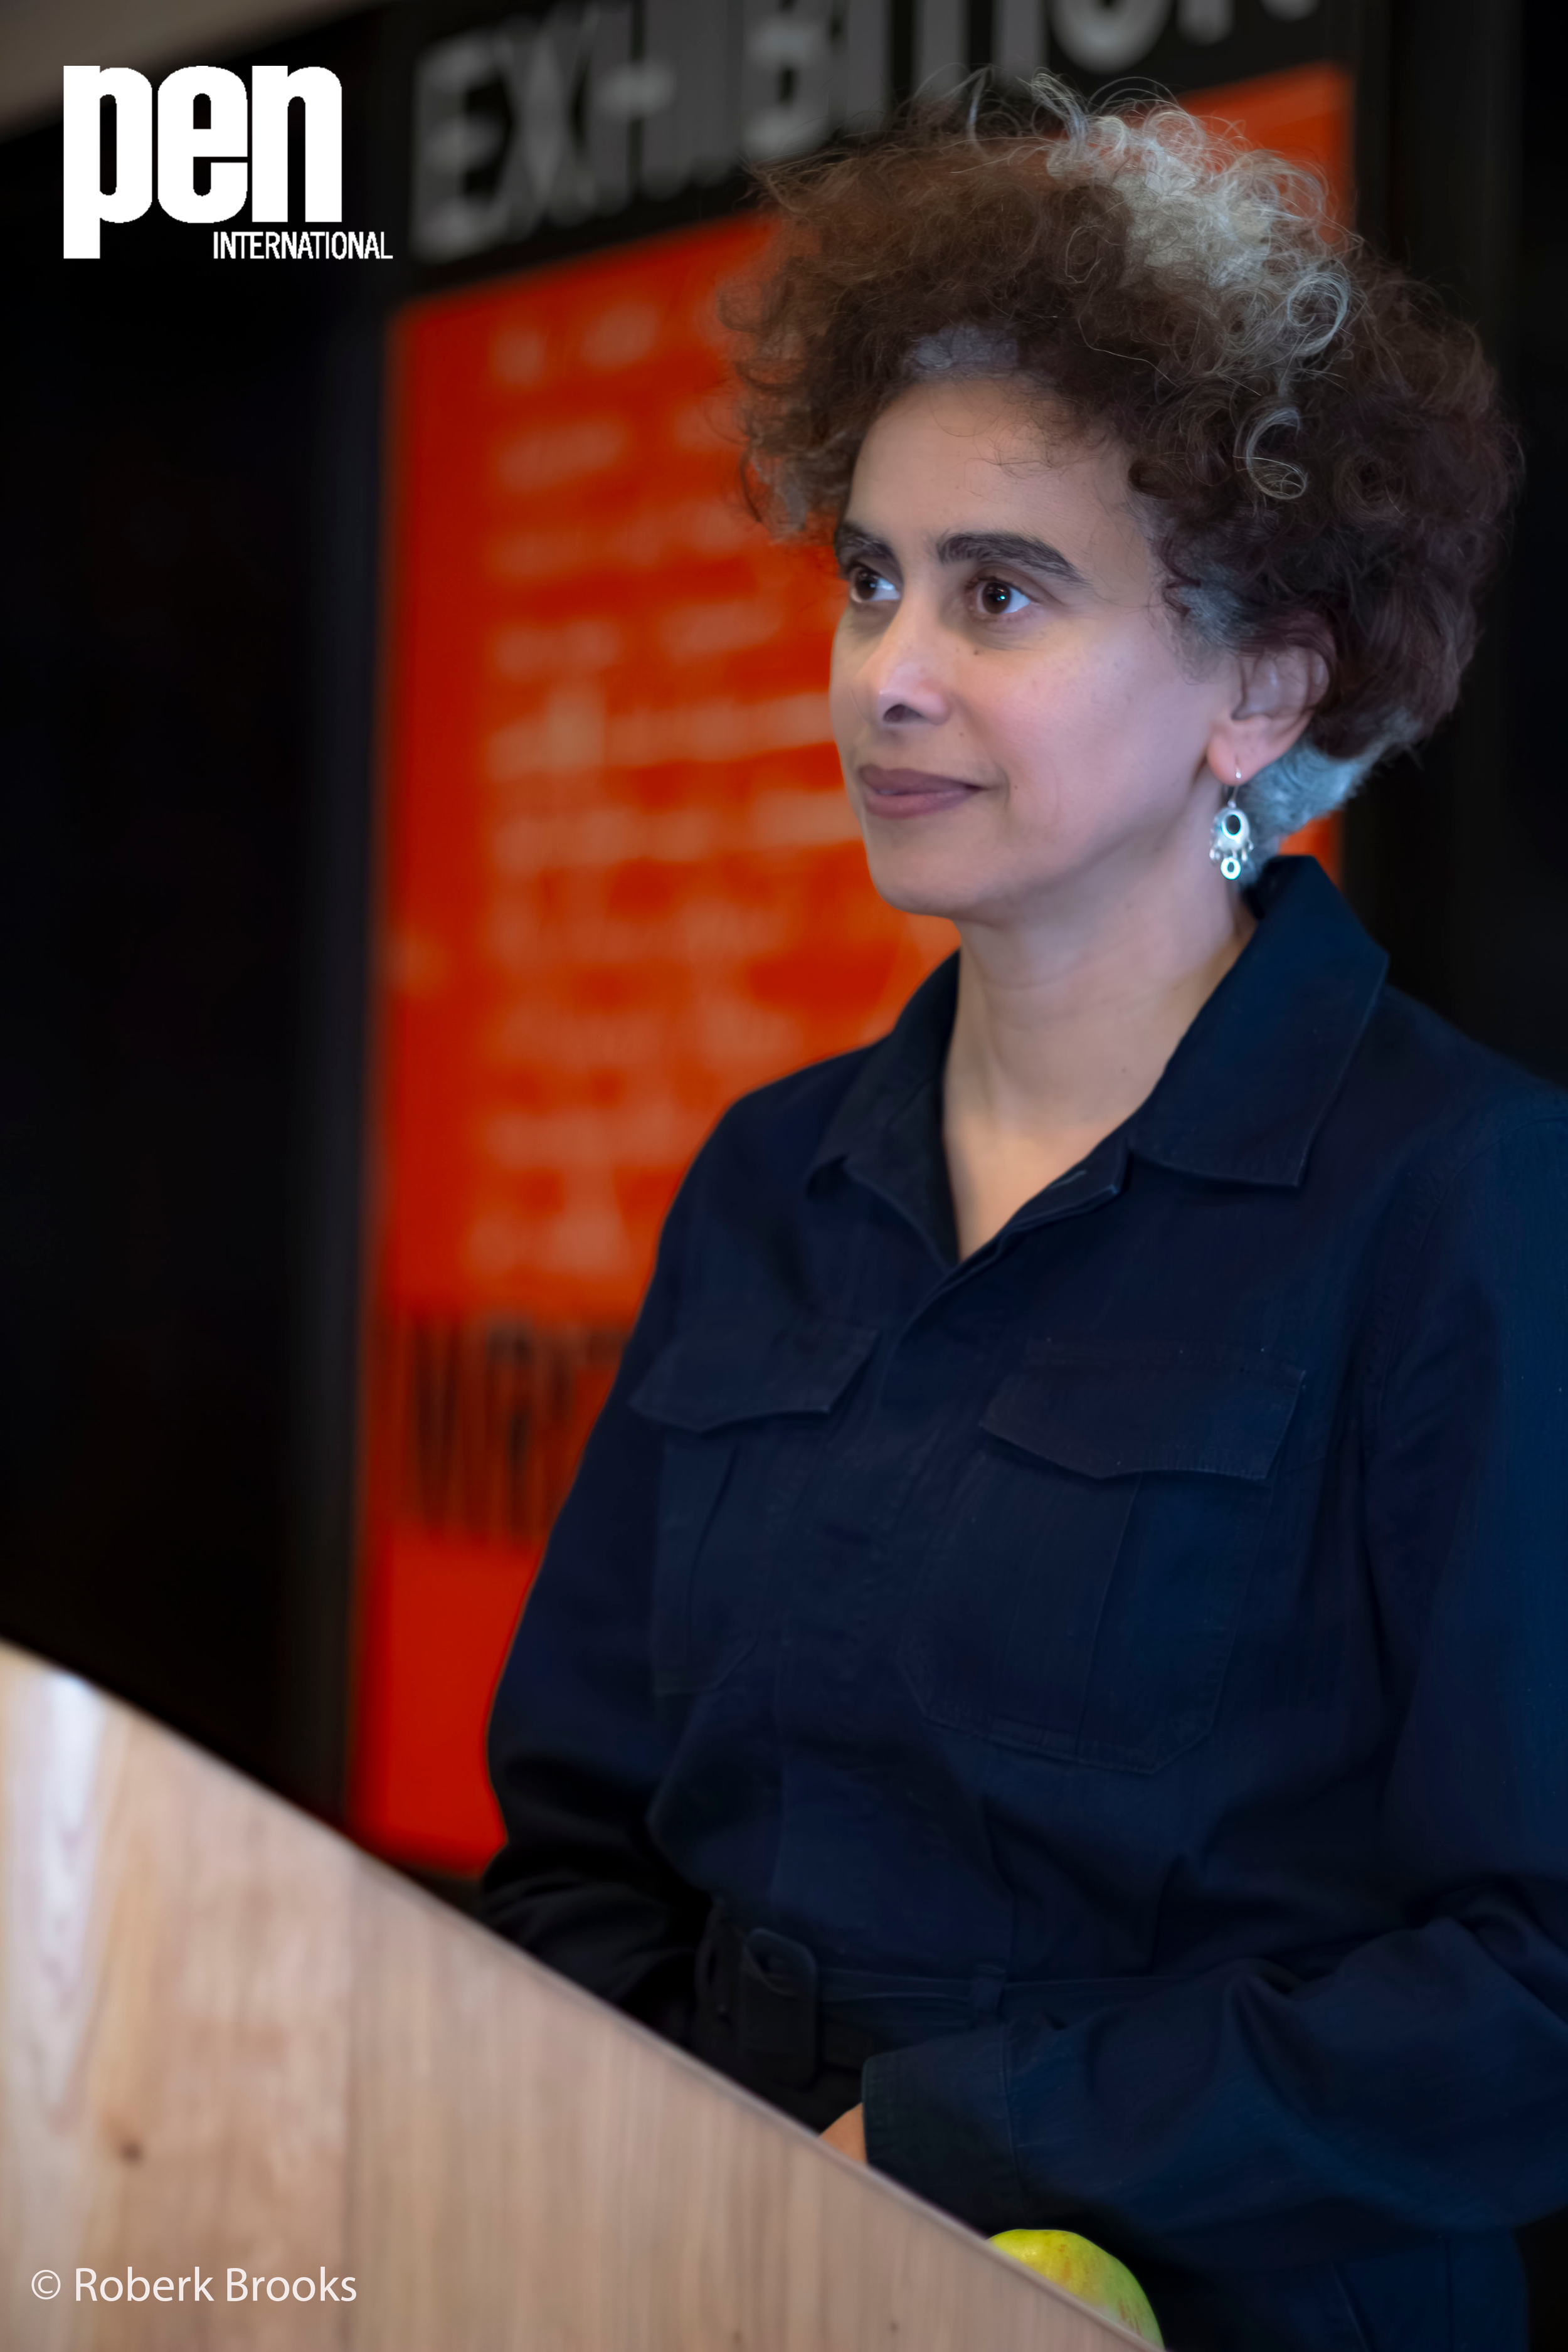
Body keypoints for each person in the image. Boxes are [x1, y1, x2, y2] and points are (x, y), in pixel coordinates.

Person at [480, 78, 1565, 2352]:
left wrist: (978, 2146)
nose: (887, 671)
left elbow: (1527, 1988)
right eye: (871, 574)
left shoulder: (1462, 1207)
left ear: (1262, 684)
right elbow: (580, 1843)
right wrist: (667, 2169)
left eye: (1003, 593)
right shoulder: (768, 1182)